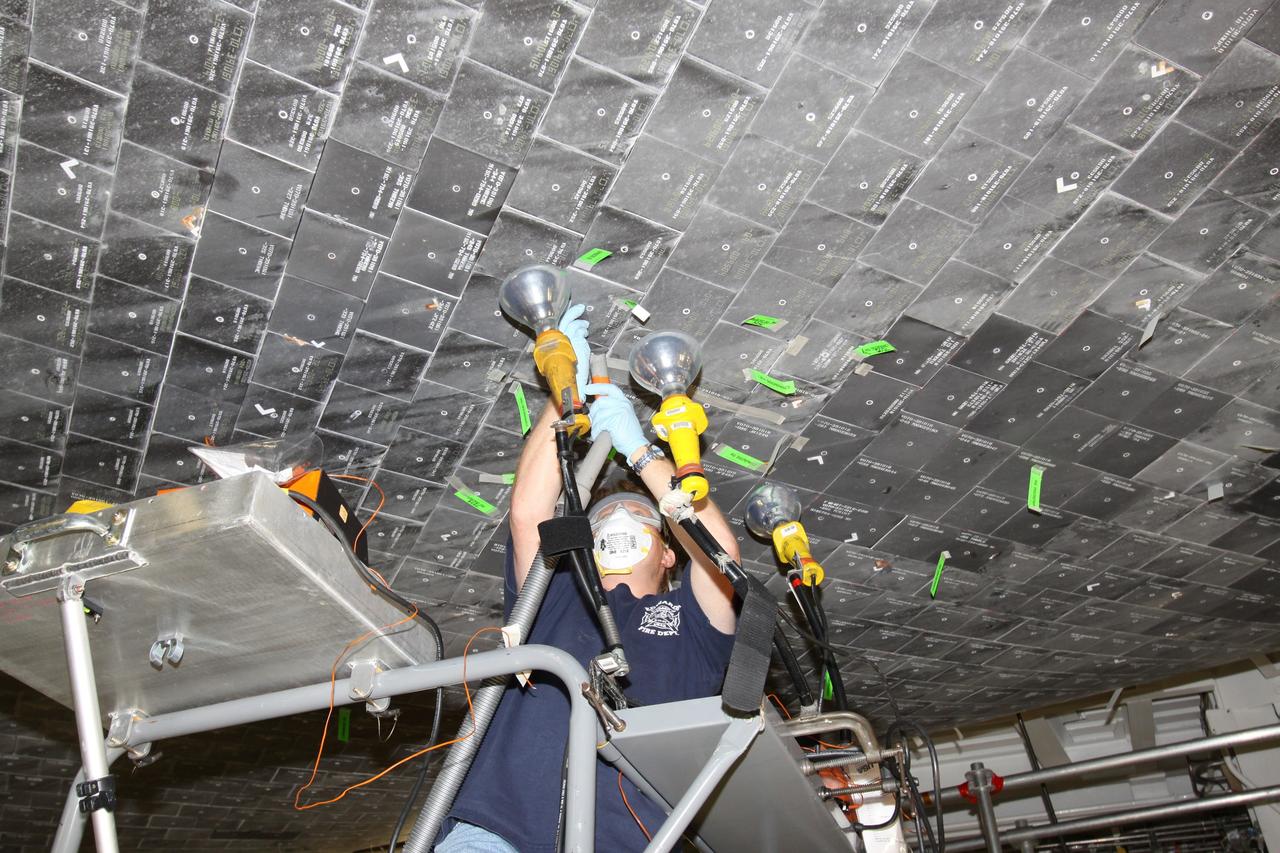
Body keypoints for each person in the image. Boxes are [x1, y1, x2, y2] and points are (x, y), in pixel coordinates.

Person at [437, 305, 740, 852]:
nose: (619, 521)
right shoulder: (556, 595)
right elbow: (531, 512)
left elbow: (721, 555)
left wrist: (640, 452)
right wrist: (565, 393)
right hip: (495, 833)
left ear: (668, 553)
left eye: (640, 517)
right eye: (603, 519)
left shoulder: (693, 627)